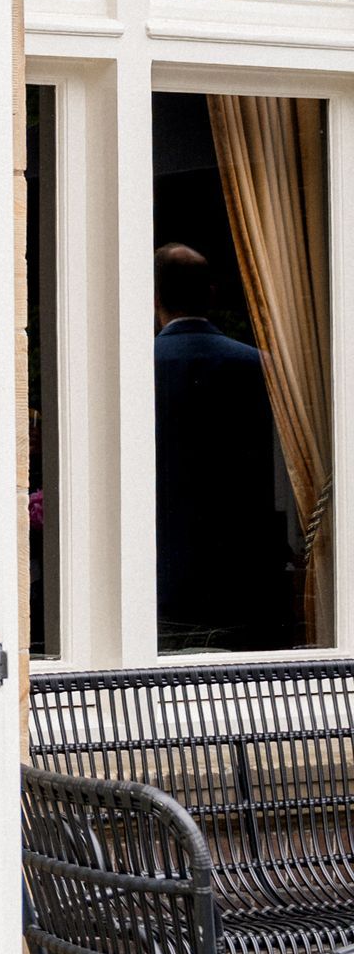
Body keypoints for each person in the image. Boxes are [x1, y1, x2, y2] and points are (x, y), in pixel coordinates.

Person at [153, 243, 292, 650]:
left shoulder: (135, 369)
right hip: (246, 571)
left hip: (160, 571)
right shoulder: (261, 366)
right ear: (211, 294)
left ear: (154, 297)